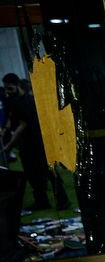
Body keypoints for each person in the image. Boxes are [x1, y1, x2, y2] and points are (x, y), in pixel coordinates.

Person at [1, 73, 68, 210]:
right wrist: (4, 132)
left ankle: (61, 200)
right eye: (6, 89)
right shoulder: (16, 102)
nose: (8, 92)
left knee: (48, 172)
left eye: (10, 89)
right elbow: (11, 120)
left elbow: (21, 126)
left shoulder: (28, 102)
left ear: (18, 85)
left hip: (37, 142)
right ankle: (43, 201)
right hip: (29, 144)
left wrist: (8, 145)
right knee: (33, 174)